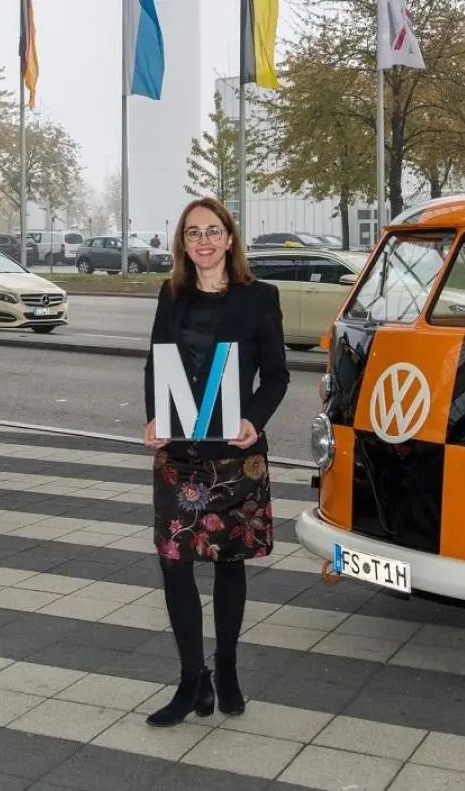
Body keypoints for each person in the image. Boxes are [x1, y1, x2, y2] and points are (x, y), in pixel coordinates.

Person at [141, 197, 289, 726]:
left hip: (234, 456)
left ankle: (225, 670)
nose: (203, 241)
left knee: (229, 563)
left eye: (212, 231)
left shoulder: (259, 298)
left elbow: (276, 375)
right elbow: (155, 366)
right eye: (192, 233)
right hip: (179, 456)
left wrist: (254, 418)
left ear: (230, 238)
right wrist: (155, 418)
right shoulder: (171, 295)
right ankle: (190, 681)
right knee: (174, 565)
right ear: (183, 244)